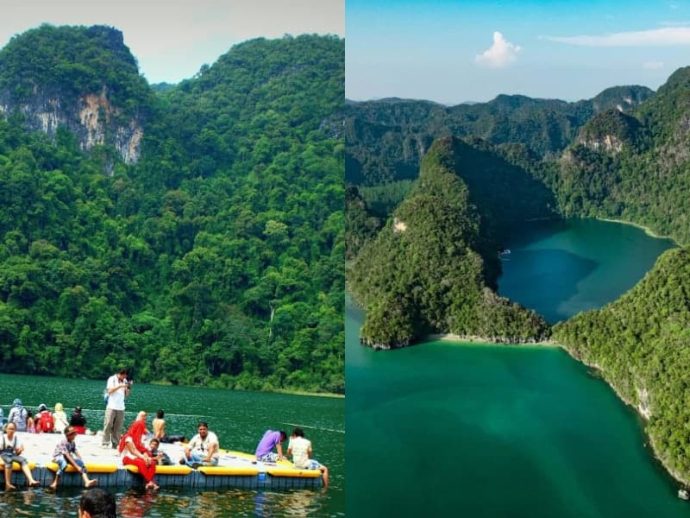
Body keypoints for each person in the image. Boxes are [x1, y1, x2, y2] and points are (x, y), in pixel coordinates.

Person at [118, 411, 159, 491]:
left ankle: (148, 483)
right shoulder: (128, 438)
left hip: (137, 456)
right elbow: (133, 451)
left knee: (152, 463)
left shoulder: (139, 439)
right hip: (127, 457)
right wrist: (143, 457)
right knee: (141, 462)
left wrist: (146, 456)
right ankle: (150, 481)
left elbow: (142, 449)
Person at [49, 425, 98, 490]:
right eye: (72, 434)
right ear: (67, 435)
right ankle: (55, 482)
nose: (74, 435)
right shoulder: (64, 442)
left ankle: (86, 481)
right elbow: (67, 455)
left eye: (74, 433)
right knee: (64, 463)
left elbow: (74, 450)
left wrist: (79, 458)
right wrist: (77, 467)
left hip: (67, 457)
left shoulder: (72, 442)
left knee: (80, 462)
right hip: (57, 457)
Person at [0, 422, 40, 490]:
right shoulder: (2, 438)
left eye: (13, 429)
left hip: (12, 454)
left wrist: (20, 450)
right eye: (9, 429)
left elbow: (17, 453)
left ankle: (31, 480)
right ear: (6, 429)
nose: (11, 431)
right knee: (9, 461)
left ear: (15, 430)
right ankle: (8, 483)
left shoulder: (16, 439)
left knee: (23, 460)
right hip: (3, 454)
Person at [102, 369, 130, 448]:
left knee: (118, 427)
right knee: (108, 424)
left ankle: (115, 443)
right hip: (111, 406)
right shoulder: (112, 379)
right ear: (120, 374)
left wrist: (128, 388)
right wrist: (120, 386)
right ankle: (105, 442)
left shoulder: (125, 380)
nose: (125, 377)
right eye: (124, 375)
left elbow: (126, 395)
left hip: (121, 407)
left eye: (126, 376)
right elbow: (110, 391)